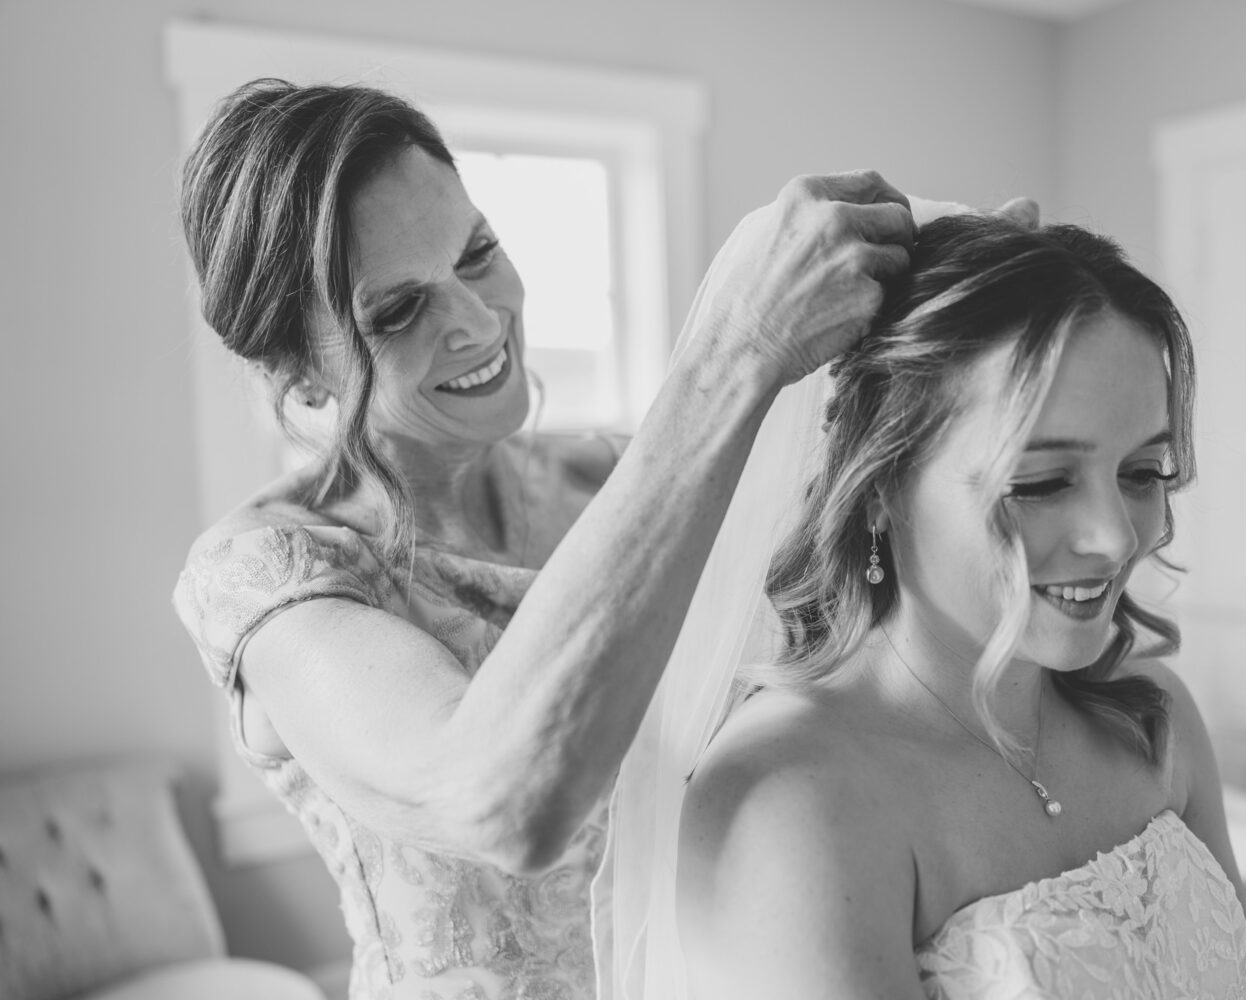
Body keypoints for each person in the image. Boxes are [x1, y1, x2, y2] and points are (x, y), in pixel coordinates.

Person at [169, 77, 918, 999]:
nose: (480, 322)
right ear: (299, 374)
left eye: (477, 253)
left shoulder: (612, 479)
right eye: (397, 312)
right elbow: (502, 802)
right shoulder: (275, 579)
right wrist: (731, 352)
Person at [604, 213, 1246, 999]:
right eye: (1040, 482)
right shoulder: (794, 799)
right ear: (882, 485)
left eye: (1144, 470)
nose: (1113, 536)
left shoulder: (1155, 716)